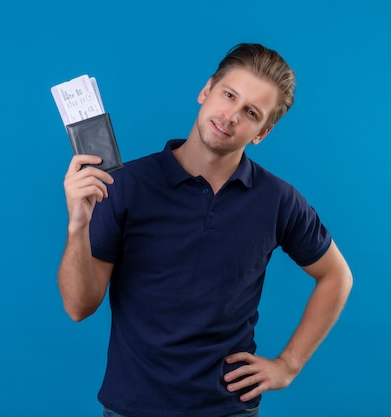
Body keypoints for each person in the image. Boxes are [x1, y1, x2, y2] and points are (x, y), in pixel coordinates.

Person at [58, 43, 353, 417]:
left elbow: (336, 276)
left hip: (228, 410)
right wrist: (77, 224)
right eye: (228, 95)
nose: (230, 115)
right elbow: (78, 307)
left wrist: (288, 364)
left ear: (262, 132)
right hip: (132, 407)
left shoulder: (279, 200)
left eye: (250, 112)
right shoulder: (126, 185)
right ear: (206, 90)